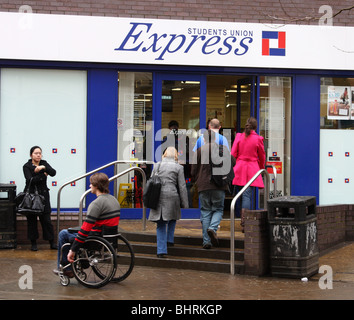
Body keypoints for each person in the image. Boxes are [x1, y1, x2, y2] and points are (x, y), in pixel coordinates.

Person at [53, 172, 120, 277]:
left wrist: (73, 249)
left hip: (95, 239)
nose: (89, 186)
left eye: (91, 184)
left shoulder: (96, 204)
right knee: (72, 231)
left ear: (96, 186)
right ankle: (79, 262)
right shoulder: (114, 200)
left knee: (63, 234)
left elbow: (85, 230)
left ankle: (66, 268)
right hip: (109, 238)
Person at [191, 130, 234, 249]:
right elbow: (233, 162)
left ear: (203, 139)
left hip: (203, 186)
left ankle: (206, 241)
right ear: (215, 139)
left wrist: (196, 180)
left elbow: (193, 171)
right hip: (219, 186)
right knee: (218, 209)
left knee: (205, 212)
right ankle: (213, 228)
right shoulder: (222, 149)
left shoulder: (199, 151)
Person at [148, 147, 188, 258]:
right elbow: (182, 186)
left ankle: (161, 250)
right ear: (176, 156)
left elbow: (151, 180)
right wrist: (185, 203)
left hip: (157, 196)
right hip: (172, 195)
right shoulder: (179, 167)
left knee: (160, 223)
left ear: (164, 154)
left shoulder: (157, 165)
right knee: (172, 216)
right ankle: (169, 240)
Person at [231, 117, 265, 232]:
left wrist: (234, 166)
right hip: (252, 169)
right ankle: (244, 222)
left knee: (239, 194)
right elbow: (262, 156)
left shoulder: (239, 136)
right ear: (255, 127)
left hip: (239, 168)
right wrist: (261, 169)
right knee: (247, 196)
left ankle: (238, 216)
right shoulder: (258, 139)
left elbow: (233, 153)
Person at [23, 146, 57, 251]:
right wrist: (43, 176)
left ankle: (52, 242)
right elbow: (30, 180)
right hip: (31, 197)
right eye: (36, 153)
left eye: (40, 153)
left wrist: (43, 168)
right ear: (31, 155)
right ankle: (33, 244)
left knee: (46, 220)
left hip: (43, 196)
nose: (38, 155)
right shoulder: (27, 166)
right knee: (32, 221)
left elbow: (53, 172)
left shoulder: (44, 163)